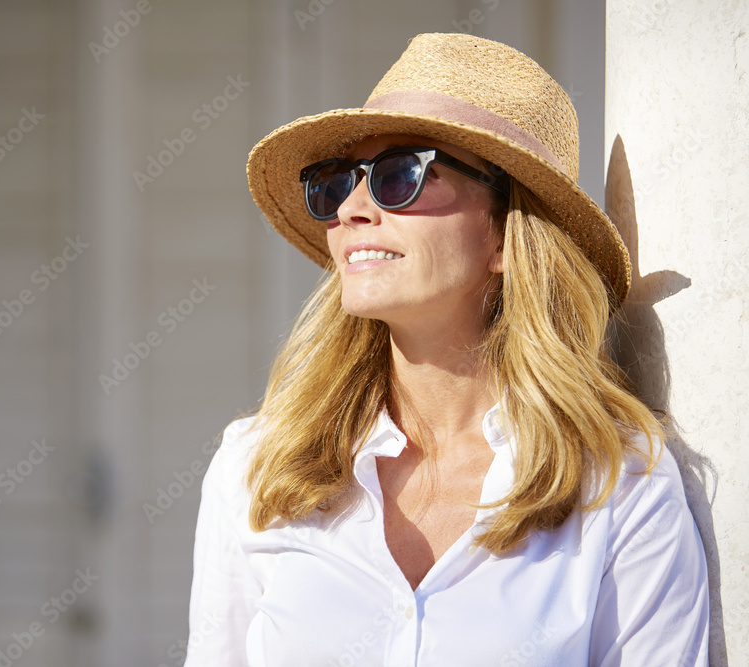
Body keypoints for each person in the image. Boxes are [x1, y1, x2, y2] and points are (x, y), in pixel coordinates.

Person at [184, 33, 709, 666]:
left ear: (504, 238)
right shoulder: (256, 469)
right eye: (334, 182)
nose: (351, 208)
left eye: (400, 175)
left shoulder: (618, 486)